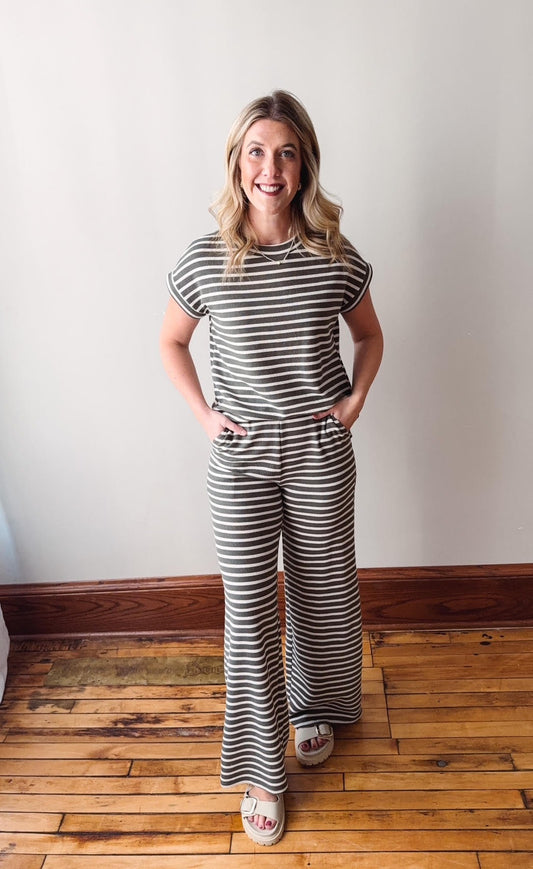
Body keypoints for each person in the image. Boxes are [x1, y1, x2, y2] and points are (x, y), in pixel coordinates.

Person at [160, 90, 383, 846]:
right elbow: (169, 343)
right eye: (256, 151)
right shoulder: (204, 257)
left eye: (285, 151)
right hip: (241, 460)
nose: (270, 167)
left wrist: (353, 402)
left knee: (323, 588)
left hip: (319, 449)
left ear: (304, 164)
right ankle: (261, 767)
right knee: (250, 609)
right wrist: (204, 415)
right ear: (237, 163)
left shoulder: (333, 254)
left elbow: (370, 338)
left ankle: (312, 703)